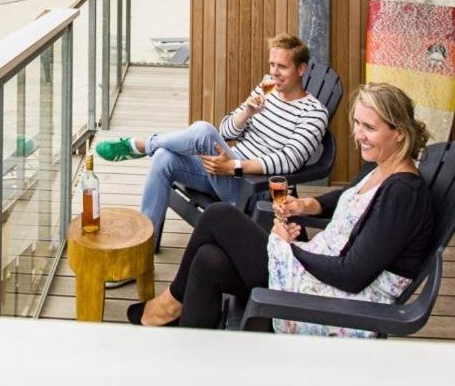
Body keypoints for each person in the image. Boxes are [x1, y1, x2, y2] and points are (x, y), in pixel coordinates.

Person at [127, 83, 434, 337]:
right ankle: (192, 355)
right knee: (209, 261)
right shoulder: (382, 168)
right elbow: (352, 196)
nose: (359, 135)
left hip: (333, 303)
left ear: (400, 133)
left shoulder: (403, 193)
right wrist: (309, 204)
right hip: (317, 275)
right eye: (357, 123)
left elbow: (352, 275)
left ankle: (170, 304)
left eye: (370, 127)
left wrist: (290, 249)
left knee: (220, 216)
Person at [95, 34, 329, 244]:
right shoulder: (267, 87)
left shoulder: (313, 113)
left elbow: (289, 161)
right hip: (223, 170)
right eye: (271, 65)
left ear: (301, 69)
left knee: (204, 131)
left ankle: (143, 144)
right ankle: (143, 248)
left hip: (249, 184)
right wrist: (246, 113)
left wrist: (234, 168)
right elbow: (226, 131)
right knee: (164, 158)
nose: (274, 73)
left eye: (282, 67)